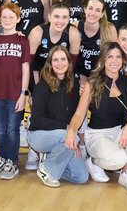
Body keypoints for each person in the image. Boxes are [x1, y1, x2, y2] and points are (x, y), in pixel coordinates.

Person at [66, 42, 127, 190]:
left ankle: (126, 172)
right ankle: (94, 162)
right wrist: (71, 130)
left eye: (118, 57)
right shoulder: (92, 83)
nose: (114, 61)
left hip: (119, 132)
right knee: (119, 159)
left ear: (123, 60)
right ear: (103, 60)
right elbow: (79, 113)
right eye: (110, 57)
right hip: (97, 135)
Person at [28, 48, 87, 187]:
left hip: (64, 137)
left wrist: (84, 96)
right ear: (50, 63)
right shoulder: (42, 86)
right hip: (38, 135)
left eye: (63, 59)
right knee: (72, 135)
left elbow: (78, 116)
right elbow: (37, 120)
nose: (59, 63)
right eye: (55, 60)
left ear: (69, 62)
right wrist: (70, 133)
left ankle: (51, 160)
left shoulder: (75, 86)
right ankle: (46, 169)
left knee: (81, 177)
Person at [0, 3, 32, 179]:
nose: (7, 20)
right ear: (0, 19)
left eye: (11, 17)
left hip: (15, 94)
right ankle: (2, 159)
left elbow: (26, 69)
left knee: (12, 129)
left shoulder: (22, 40)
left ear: (18, 19)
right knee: (0, 129)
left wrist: (23, 94)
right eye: (4, 17)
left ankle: (12, 162)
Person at [28, 3, 77, 84]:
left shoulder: (73, 33)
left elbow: (72, 65)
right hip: (39, 74)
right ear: (49, 17)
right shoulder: (37, 33)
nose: (60, 21)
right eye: (56, 16)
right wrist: (35, 85)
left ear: (69, 19)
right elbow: (28, 64)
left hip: (62, 75)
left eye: (64, 17)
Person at [76, 0, 117, 79]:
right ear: (85, 9)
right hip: (78, 75)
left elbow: (114, 57)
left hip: (100, 76)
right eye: (90, 8)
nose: (93, 13)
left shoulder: (109, 30)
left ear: (102, 14)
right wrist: (81, 77)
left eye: (97, 10)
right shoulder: (74, 27)